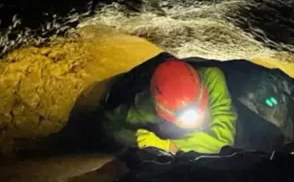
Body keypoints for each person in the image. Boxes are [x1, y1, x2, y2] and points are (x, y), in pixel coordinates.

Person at [102, 57, 237, 154]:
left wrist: (169, 145)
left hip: (215, 129)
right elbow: (110, 123)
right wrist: (135, 139)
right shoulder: (148, 104)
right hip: (172, 132)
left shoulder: (212, 79)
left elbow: (222, 142)